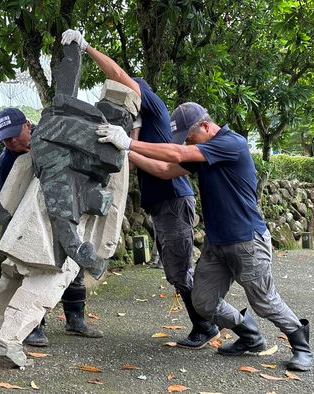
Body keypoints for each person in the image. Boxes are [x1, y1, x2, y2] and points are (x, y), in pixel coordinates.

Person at [95, 102, 313, 371]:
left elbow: (176, 152)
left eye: (190, 136)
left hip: (247, 240)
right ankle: (250, 336)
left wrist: (129, 141)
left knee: (264, 301)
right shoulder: (206, 154)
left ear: (206, 126)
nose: (187, 142)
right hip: (216, 244)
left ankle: (301, 346)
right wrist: (127, 153)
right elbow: (165, 170)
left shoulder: (232, 143)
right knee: (203, 301)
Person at [61, 30, 219, 349]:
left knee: (180, 273)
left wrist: (87, 46)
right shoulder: (139, 126)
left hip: (174, 200)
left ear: (137, 94)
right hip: (164, 204)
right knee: (175, 273)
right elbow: (126, 162)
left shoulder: (152, 104)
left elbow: (118, 74)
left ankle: (209, 324)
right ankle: (206, 323)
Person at [0, 107, 103, 348]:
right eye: (5, 138)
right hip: (27, 220)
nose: (11, 141)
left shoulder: (52, 137)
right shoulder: (7, 162)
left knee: (73, 266)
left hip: (64, 211)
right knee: (32, 271)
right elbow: (5, 200)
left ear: (28, 125)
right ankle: (35, 327)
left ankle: (75, 318)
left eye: (15, 134)